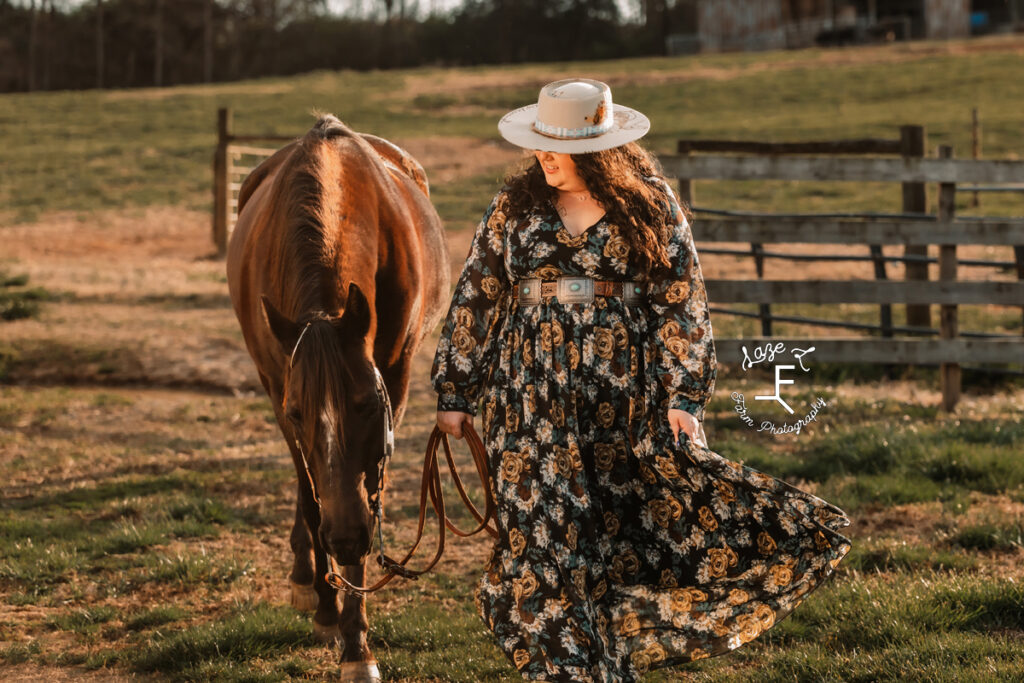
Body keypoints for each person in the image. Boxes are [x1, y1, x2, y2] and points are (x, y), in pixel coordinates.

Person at [431, 78, 852, 682]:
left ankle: (603, 658)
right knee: (542, 539)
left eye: (558, 146)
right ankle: (566, 670)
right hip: (526, 398)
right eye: (540, 144)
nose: (544, 156)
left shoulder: (650, 206)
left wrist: (684, 397)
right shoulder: (514, 207)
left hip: (623, 400)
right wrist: (456, 388)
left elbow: (680, 302)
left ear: (598, 149)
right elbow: (477, 293)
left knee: (615, 536)